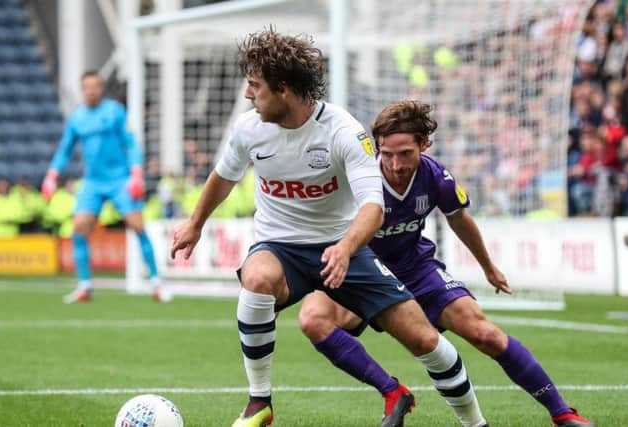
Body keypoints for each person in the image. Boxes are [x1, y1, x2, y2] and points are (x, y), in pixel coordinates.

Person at [170, 30, 487, 427]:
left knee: (425, 340)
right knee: (257, 278)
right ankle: (259, 402)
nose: (248, 95)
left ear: (283, 88)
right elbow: (223, 176)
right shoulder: (248, 129)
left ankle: (476, 423)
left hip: (343, 249)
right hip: (279, 246)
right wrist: (195, 223)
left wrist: (345, 247)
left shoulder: (342, 131)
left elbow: (373, 206)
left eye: (255, 86)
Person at [299, 100, 595, 427]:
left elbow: (460, 220)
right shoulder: (359, 176)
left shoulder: (436, 176)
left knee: (485, 333)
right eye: (387, 154)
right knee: (313, 319)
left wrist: (488, 267)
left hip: (416, 269)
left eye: (405, 153)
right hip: (365, 271)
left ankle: (562, 413)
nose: (395, 164)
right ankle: (392, 391)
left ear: (424, 144)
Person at [42, 71, 166, 304]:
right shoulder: (77, 119)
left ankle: (157, 283)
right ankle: (84, 286)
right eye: (87, 87)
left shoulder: (115, 111)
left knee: (137, 225)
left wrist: (136, 174)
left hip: (120, 179)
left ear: (101, 88)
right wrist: (51, 175)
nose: (91, 90)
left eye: (95, 86)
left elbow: (131, 144)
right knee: (79, 227)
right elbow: (64, 150)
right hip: (92, 182)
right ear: (82, 90)